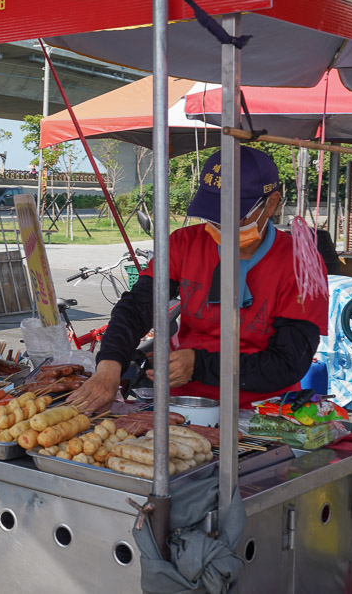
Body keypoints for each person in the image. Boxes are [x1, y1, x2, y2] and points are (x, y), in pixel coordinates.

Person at [69, 146, 329, 413]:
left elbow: (288, 363)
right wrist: (110, 365)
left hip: (263, 411)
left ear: (271, 203)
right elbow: (137, 307)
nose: (220, 226)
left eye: (234, 215)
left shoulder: (301, 263)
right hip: (184, 404)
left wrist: (199, 365)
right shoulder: (184, 243)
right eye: (213, 216)